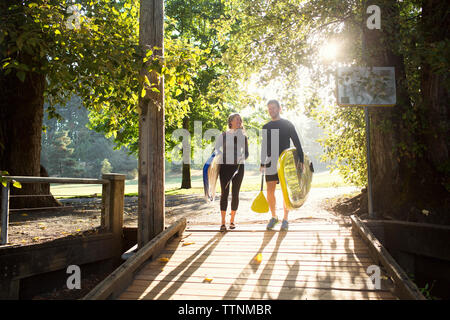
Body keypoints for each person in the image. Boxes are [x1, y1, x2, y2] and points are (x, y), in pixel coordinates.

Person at [260, 100, 304, 231]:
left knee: (286, 192)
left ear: (280, 108)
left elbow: (297, 142)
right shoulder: (266, 127)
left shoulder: (287, 124)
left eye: (273, 108)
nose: (271, 110)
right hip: (270, 161)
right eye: (269, 109)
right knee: (270, 191)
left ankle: (285, 219)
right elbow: (264, 146)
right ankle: (274, 217)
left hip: (286, 161)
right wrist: (262, 163)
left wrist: (301, 159)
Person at [214, 113, 249, 231]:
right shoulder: (223, 135)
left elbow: (247, 154)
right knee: (224, 193)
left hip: (239, 168)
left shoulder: (243, 136)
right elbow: (216, 149)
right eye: (237, 119)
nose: (239, 121)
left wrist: (242, 157)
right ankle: (223, 223)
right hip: (224, 167)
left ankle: (232, 221)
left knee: (235, 193)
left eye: (240, 119)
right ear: (231, 122)